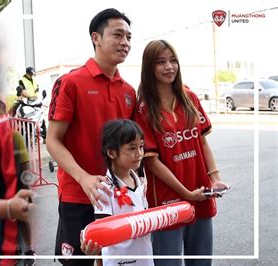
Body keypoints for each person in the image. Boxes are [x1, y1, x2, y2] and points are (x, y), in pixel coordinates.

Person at [46, 8, 136, 265]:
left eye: (129, 37)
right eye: (118, 35)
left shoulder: (128, 91)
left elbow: (131, 148)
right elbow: (53, 140)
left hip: (118, 198)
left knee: (115, 261)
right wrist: (83, 177)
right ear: (96, 37)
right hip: (79, 196)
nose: (125, 43)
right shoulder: (71, 82)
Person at [133, 39, 229, 266]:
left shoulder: (190, 98)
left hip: (201, 193)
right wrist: (186, 193)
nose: (169, 67)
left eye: (173, 60)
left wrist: (214, 178)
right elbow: (152, 163)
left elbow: (202, 143)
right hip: (168, 202)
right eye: (161, 62)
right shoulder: (143, 108)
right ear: (149, 67)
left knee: (202, 261)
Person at [80, 119, 153, 266]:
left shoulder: (139, 182)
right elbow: (100, 236)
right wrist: (92, 248)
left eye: (141, 147)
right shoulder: (104, 189)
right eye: (132, 148)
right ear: (112, 152)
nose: (139, 153)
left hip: (145, 259)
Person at [0, 92, 36, 265]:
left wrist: (27, 188)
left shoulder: (15, 136)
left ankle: (29, 250)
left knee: (21, 218)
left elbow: (25, 165)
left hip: (16, 184)